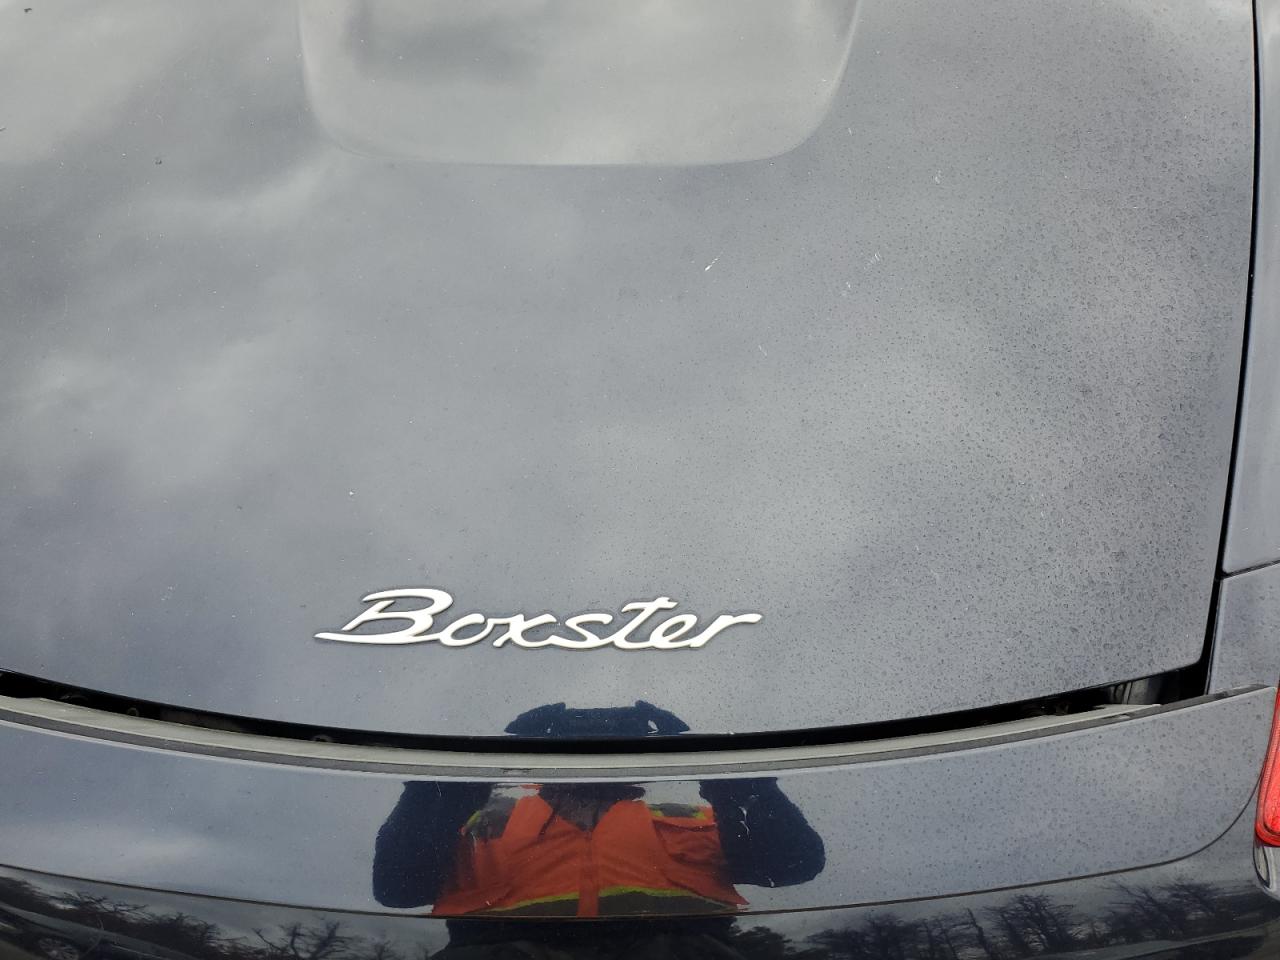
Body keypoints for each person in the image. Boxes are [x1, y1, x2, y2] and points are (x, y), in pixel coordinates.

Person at [372, 702, 825, 919]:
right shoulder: (478, 827)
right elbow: (397, 889)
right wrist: (471, 773)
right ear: (540, 763)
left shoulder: (694, 819)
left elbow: (790, 867)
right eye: (570, 747)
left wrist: (724, 772)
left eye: (615, 745)